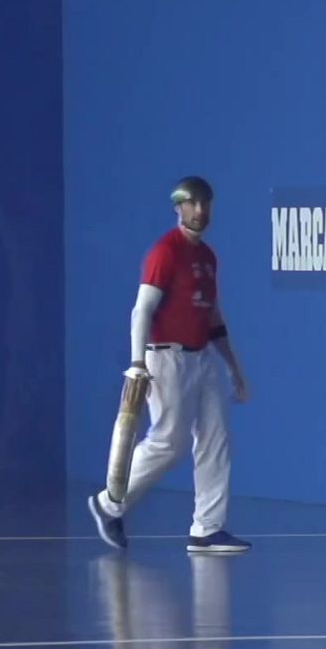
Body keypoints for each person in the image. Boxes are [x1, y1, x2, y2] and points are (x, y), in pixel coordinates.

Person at [88, 176, 251, 555]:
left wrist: (234, 368)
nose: (199, 210)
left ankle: (207, 529)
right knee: (169, 443)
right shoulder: (165, 252)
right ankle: (109, 503)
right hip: (166, 357)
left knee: (216, 439)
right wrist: (137, 363)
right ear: (178, 208)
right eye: (191, 203)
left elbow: (213, 315)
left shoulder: (208, 258)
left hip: (204, 358)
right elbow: (142, 309)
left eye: (205, 203)